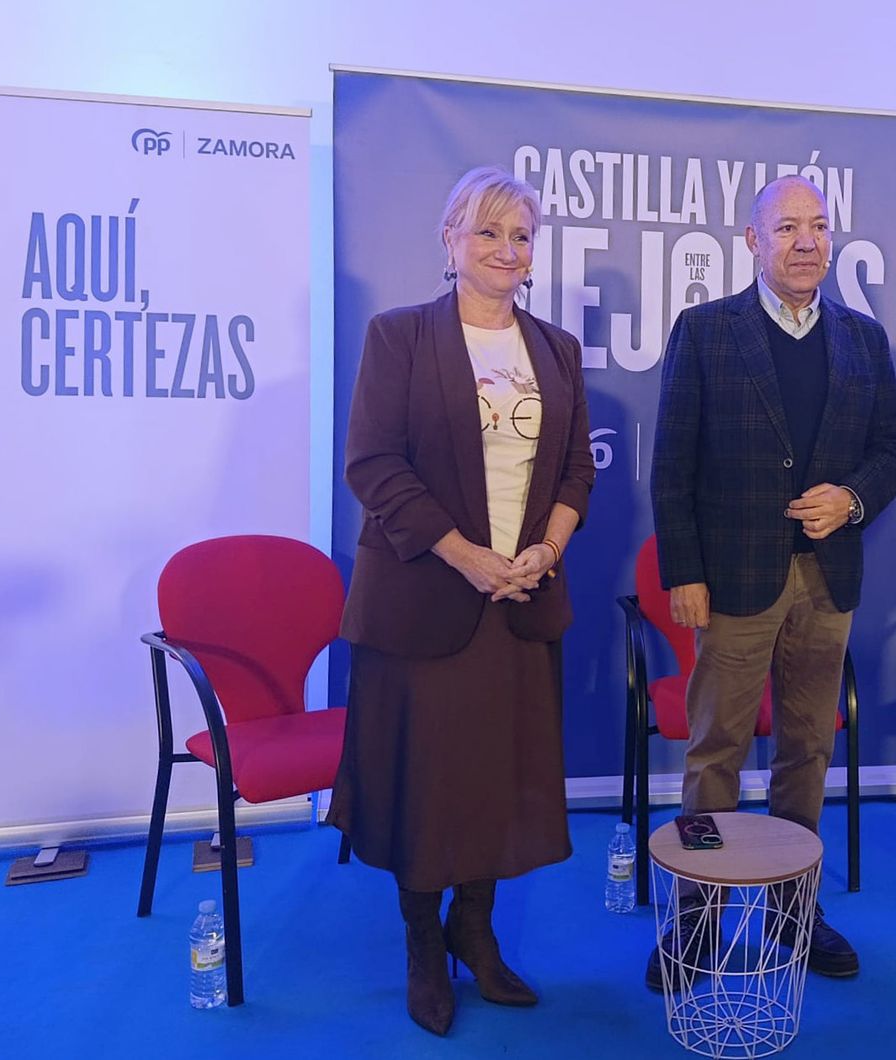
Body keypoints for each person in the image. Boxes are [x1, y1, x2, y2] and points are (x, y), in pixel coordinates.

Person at [328, 166, 594, 1035]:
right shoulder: (399, 336)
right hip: (423, 600)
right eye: (488, 233)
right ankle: (420, 945)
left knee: (493, 781)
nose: (506, 251)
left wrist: (545, 551)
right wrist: (466, 556)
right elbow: (374, 463)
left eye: (520, 236)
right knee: (426, 785)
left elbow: (573, 471)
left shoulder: (555, 350)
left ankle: (473, 933)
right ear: (450, 241)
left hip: (520, 601)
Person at [648, 175, 896, 986]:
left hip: (827, 581)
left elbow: (894, 450)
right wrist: (683, 574)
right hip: (732, 580)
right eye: (787, 227)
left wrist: (853, 496)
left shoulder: (864, 339)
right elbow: (670, 468)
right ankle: (698, 921)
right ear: (752, 241)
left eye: (819, 226)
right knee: (715, 753)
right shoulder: (704, 331)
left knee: (807, 748)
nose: (806, 242)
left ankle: (794, 913)